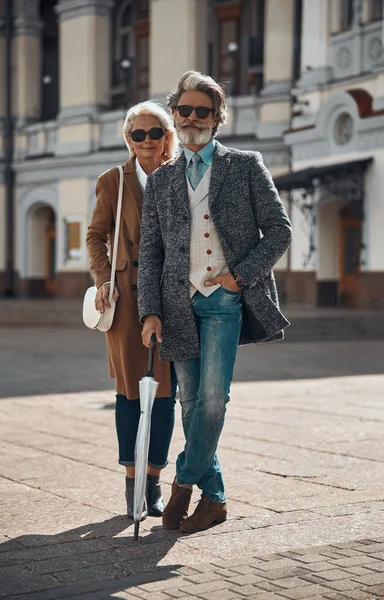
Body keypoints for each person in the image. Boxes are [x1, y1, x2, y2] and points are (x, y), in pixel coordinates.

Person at [138, 71, 293, 533]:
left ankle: (183, 483)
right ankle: (216, 499)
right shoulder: (162, 180)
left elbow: (280, 230)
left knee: (213, 400)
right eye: (183, 110)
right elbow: (151, 252)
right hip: (176, 303)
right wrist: (149, 310)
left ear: (217, 117)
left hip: (224, 299)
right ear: (175, 114)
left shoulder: (245, 165)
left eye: (201, 111)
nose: (190, 118)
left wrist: (239, 276)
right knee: (189, 403)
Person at [86, 101, 179, 521]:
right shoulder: (112, 181)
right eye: (137, 135)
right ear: (129, 139)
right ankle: (131, 484)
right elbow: (95, 234)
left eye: (154, 133)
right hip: (124, 297)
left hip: (176, 296)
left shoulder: (182, 176)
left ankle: (154, 480)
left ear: (167, 138)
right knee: (128, 392)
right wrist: (103, 278)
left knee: (164, 393)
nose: (145, 141)